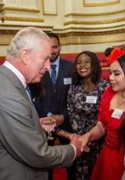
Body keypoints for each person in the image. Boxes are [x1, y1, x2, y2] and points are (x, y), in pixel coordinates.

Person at [0, 27, 82, 180]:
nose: (48, 66)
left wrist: (35, 124)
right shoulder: (9, 95)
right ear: (26, 55)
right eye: (45, 59)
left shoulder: (9, 81)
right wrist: (72, 150)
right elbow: (37, 154)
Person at [79, 47, 125, 179]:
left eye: (116, 74)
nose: (110, 78)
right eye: (110, 73)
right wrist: (87, 136)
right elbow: (101, 126)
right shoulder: (109, 93)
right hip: (107, 156)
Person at [55, 51, 110, 179]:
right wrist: (80, 136)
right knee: (81, 175)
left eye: (86, 61)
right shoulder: (74, 87)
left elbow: (106, 117)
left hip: (100, 142)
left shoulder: (105, 87)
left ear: (94, 65)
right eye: (78, 63)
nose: (82, 65)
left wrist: (91, 137)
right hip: (80, 142)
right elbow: (71, 111)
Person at [37, 32, 75, 179]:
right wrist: (48, 116)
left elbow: (74, 97)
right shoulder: (38, 67)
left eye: (55, 47)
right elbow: (37, 96)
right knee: (47, 161)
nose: (52, 51)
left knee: (72, 158)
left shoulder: (71, 67)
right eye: (49, 47)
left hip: (67, 122)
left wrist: (63, 116)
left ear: (60, 47)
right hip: (45, 122)